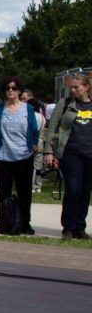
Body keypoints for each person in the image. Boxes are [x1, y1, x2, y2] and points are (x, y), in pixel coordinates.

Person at [44, 73, 92, 239]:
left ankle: (80, 227)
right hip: (71, 152)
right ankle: (68, 227)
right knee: (73, 189)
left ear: (86, 87)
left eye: (76, 87)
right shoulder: (64, 104)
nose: (73, 90)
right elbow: (52, 128)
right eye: (71, 87)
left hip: (90, 154)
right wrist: (48, 151)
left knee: (85, 191)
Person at [0, 77, 40, 235]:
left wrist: (34, 144)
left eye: (13, 88)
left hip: (24, 155)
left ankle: (25, 223)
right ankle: (2, 223)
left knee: (24, 191)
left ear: (19, 91)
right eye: (7, 88)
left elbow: (33, 129)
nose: (10, 91)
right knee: (2, 192)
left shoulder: (28, 109)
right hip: (3, 155)